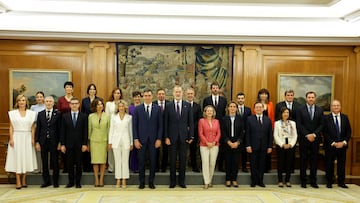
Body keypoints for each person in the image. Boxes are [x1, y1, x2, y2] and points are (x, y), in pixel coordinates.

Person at [164, 85, 194, 188]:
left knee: (182, 160)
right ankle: (172, 182)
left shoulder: (187, 105)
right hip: (171, 138)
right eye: (176, 92)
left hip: (184, 137)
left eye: (179, 92)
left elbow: (191, 122)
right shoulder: (168, 106)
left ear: (182, 93)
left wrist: (191, 136)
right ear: (173, 93)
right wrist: (166, 137)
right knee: (172, 160)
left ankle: (182, 181)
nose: (178, 93)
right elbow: (165, 123)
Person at [5, 94, 37, 189]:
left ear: (26, 102)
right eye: (20, 100)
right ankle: (18, 180)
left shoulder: (31, 113)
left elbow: (32, 128)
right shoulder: (12, 113)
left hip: (27, 137)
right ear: (17, 102)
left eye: (23, 100)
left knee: (26, 157)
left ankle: (24, 179)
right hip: (17, 137)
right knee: (17, 158)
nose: (22, 102)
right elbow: (11, 127)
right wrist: (11, 138)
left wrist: (32, 139)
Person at [132, 89, 163, 189]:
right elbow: (134, 126)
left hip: (154, 140)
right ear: (143, 97)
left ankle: (151, 182)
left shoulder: (157, 109)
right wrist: (135, 139)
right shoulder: (138, 109)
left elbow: (160, 126)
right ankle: (141, 182)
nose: (147, 97)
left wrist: (159, 139)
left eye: (149, 95)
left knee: (153, 162)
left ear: (152, 96)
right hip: (141, 140)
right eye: (145, 95)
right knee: (141, 162)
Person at [296, 91, 323, 188]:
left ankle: (313, 181)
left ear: (315, 98)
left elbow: (321, 124)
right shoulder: (300, 109)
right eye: (309, 97)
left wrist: (314, 134)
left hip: (315, 139)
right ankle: (303, 181)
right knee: (303, 160)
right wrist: (307, 134)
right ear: (306, 98)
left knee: (314, 160)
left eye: (312, 97)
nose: (311, 99)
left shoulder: (320, 110)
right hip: (304, 138)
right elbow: (299, 124)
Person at [60, 97, 88, 188]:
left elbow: (85, 131)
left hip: (80, 144)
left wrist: (85, 144)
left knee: (79, 164)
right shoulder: (65, 116)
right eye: (72, 103)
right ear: (70, 105)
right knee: (70, 164)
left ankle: (78, 182)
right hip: (68, 144)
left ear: (79, 105)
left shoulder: (83, 116)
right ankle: (71, 182)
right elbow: (62, 131)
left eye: (76, 103)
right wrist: (63, 144)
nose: (74, 105)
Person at [323, 100, 351, 188]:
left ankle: (341, 182)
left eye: (338, 105)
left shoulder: (345, 117)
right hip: (330, 146)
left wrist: (343, 142)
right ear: (331, 107)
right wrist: (333, 143)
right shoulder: (326, 118)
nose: (336, 107)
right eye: (334, 106)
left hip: (342, 146)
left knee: (341, 164)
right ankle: (329, 182)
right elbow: (325, 132)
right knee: (329, 164)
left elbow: (349, 132)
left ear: (340, 107)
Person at [35, 96, 62, 188]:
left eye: (50, 101)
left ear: (53, 103)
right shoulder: (40, 114)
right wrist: (37, 142)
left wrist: (60, 142)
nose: (48, 103)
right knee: (44, 162)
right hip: (43, 141)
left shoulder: (58, 113)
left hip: (54, 142)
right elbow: (38, 129)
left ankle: (55, 181)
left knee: (55, 162)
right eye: (47, 101)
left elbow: (60, 129)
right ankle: (46, 181)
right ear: (44, 102)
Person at [246, 102, 272, 188]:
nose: (258, 109)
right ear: (254, 109)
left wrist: (270, 146)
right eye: (257, 107)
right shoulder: (249, 119)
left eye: (260, 107)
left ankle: (260, 181)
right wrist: (248, 145)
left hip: (264, 146)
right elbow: (247, 134)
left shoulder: (267, 120)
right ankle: (254, 181)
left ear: (263, 109)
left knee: (262, 165)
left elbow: (270, 134)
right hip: (253, 146)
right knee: (253, 164)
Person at [202, 81, 227, 172]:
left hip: (220, 126)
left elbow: (224, 114)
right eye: (213, 88)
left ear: (219, 89)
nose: (215, 89)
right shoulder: (206, 100)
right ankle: (207, 166)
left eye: (217, 88)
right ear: (211, 89)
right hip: (208, 127)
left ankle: (220, 166)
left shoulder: (223, 100)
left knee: (220, 146)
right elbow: (204, 114)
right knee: (207, 146)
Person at [109, 100, 133, 188]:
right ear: (117, 107)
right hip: (116, 141)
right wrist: (110, 142)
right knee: (117, 161)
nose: (121, 108)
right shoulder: (113, 117)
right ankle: (118, 179)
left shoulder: (129, 117)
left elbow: (130, 130)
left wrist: (131, 143)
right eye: (120, 106)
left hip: (126, 141)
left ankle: (124, 180)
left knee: (125, 161)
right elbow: (111, 130)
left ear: (125, 107)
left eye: (123, 106)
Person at [221, 101, 244, 187]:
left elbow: (242, 132)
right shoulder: (224, 119)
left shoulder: (240, 119)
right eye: (231, 106)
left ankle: (234, 179)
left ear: (236, 108)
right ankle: (228, 179)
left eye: (234, 107)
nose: (232, 108)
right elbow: (223, 132)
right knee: (227, 162)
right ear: (228, 108)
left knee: (235, 162)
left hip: (237, 143)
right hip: (227, 143)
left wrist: (237, 142)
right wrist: (229, 142)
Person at [273, 107, 298, 187]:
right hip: (281, 145)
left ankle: (287, 180)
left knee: (289, 163)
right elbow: (275, 135)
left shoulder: (292, 123)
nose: (286, 114)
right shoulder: (277, 123)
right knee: (280, 163)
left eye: (287, 112)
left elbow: (295, 135)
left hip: (290, 145)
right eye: (284, 112)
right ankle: (280, 180)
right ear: (281, 114)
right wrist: (282, 144)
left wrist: (291, 144)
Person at [198, 105, 221, 189]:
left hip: (215, 145)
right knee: (205, 163)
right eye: (208, 111)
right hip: (204, 145)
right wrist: (207, 142)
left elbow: (219, 133)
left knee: (212, 163)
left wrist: (214, 142)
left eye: (211, 111)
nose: (209, 112)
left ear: (213, 112)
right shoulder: (201, 121)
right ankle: (206, 182)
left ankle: (210, 180)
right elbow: (200, 133)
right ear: (205, 112)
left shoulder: (216, 121)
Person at [88, 98, 110, 187]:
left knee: (103, 161)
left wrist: (109, 142)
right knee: (95, 161)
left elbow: (109, 129)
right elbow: (89, 130)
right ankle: (96, 179)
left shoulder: (107, 116)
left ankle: (101, 180)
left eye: (101, 104)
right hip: (94, 141)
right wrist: (88, 143)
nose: (100, 106)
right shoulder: (91, 116)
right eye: (98, 104)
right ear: (95, 106)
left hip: (104, 140)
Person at [254, 88, 274, 173]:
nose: (263, 95)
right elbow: (254, 117)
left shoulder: (270, 104)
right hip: (258, 129)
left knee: (266, 149)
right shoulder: (256, 104)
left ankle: (266, 168)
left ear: (267, 95)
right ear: (259, 95)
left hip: (267, 128)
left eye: (265, 94)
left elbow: (272, 116)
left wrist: (272, 128)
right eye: (262, 94)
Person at [81, 83, 101, 172]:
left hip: (97, 125)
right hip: (86, 123)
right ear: (88, 91)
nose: (92, 91)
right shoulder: (84, 100)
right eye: (90, 89)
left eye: (93, 89)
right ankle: (87, 167)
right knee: (87, 143)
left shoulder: (99, 100)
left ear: (96, 91)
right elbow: (82, 112)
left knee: (96, 147)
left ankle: (97, 166)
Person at [57, 81, 74, 173]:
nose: (69, 89)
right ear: (65, 89)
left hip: (73, 126)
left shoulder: (75, 100)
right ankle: (65, 166)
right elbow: (59, 113)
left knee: (72, 146)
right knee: (64, 145)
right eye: (67, 87)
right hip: (63, 125)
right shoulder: (60, 100)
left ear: (72, 89)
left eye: (70, 87)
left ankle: (71, 166)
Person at [105, 87, 123, 173]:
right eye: (115, 93)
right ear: (113, 94)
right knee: (111, 148)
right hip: (111, 128)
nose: (117, 94)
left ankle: (119, 166)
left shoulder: (122, 103)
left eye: (118, 93)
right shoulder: (109, 104)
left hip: (120, 128)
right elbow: (107, 116)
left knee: (119, 148)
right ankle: (111, 167)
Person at [186, 87, 202, 172]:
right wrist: (186, 127)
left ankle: (194, 166)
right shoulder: (183, 104)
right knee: (182, 151)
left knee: (193, 150)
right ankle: (181, 167)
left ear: (194, 95)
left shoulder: (197, 106)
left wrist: (191, 127)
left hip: (194, 132)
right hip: (183, 131)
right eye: (188, 94)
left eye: (191, 94)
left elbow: (199, 119)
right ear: (186, 95)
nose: (190, 95)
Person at [153, 88, 169, 172]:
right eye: (159, 94)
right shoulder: (153, 104)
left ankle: (164, 167)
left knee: (166, 151)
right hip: (155, 131)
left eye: (163, 94)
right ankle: (156, 167)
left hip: (166, 131)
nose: (161, 95)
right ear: (157, 95)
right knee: (156, 150)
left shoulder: (169, 104)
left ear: (165, 95)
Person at [30, 91, 46, 174]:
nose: (39, 98)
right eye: (37, 97)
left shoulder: (46, 106)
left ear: (43, 98)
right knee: (36, 148)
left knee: (44, 148)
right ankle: (37, 168)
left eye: (41, 97)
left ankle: (44, 168)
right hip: (35, 128)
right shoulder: (33, 107)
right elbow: (31, 119)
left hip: (44, 128)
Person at [236, 92, 252, 173]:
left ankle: (244, 167)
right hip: (236, 133)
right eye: (239, 98)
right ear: (237, 99)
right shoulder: (234, 109)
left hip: (246, 133)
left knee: (245, 151)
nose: (240, 100)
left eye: (242, 98)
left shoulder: (248, 110)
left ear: (244, 99)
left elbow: (250, 121)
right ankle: (236, 166)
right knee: (237, 150)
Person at [128, 91, 142, 173]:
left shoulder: (143, 107)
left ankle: (140, 167)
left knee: (141, 150)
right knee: (133, 150)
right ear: (133, 98)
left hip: (141, 131)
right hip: (132, 130)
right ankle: (134, 167)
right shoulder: (130, 108)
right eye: (135, 97)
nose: (137, 98)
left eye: (138, 96)